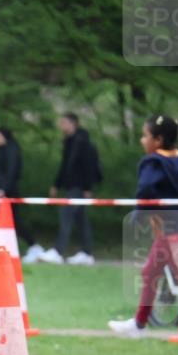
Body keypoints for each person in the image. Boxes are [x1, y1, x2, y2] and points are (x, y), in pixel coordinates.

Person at [109, 115, 178, 338]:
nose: (142, 140)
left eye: (145, 136)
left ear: (158, 139)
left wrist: (142, 215)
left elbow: (145, 190)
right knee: (149, 272)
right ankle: (139, 324)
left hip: (173, 230)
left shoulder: (153, 162)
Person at [38, 113, 102, 265]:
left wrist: (87, 187)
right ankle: (86, 253)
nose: (61, 125)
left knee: (65, 214)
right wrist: (56, 184)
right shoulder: (69, 142)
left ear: (73, 124)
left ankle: (58, 251)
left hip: (79, 186)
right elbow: (65, 165)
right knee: (80, 219)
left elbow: (88, 166)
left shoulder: (82, 142)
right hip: (70, 185)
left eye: (64, 122)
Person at [0, 127, 43, 263]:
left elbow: (12, 172)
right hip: (1, 193)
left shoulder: (11, 149)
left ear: (3, 136)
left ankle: (34, 246)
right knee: (1, 222)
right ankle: (3, 250)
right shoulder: (2, 150)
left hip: (8, 193)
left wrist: (3, 189)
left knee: (14, 222)